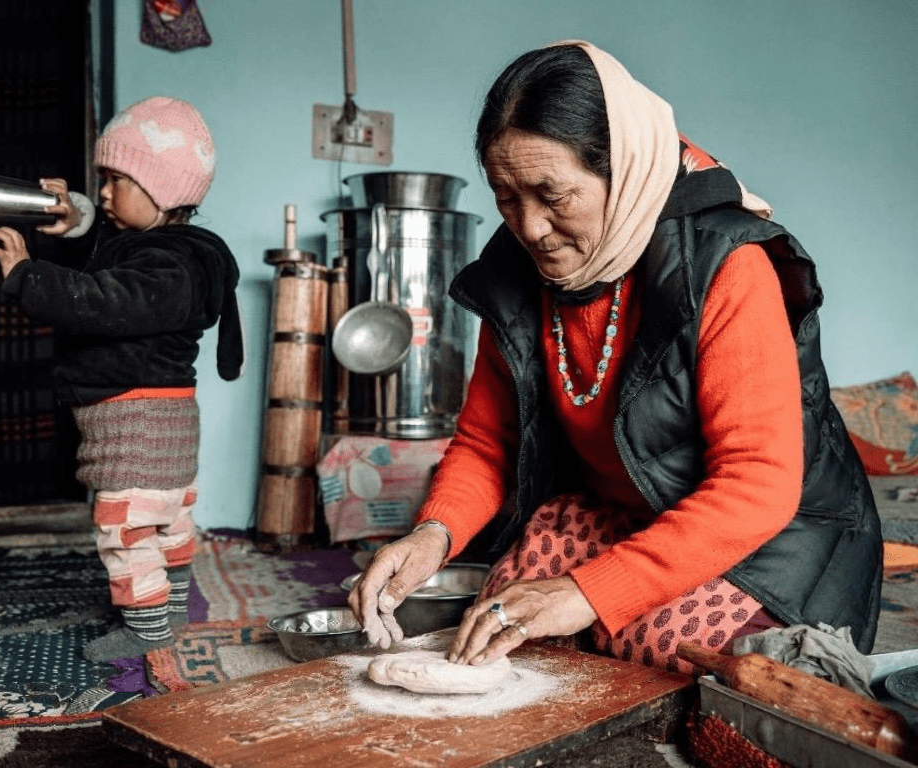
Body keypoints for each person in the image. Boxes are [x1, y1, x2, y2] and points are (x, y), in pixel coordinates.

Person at [348, 41, 882, 675]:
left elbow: (756, 489)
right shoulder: (519, 270)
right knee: (502, 618)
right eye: (506, 196)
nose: (531, 227)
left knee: (668, 652)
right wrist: (431, 536)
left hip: (771, 541)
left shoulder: (726, 264)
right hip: (630, 515)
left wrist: (584, 593)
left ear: (622, 170)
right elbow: (488, 443)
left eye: (553, 195)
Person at [0, 96, 243, 663]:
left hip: (135, 422)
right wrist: (73, 214)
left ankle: (148, 627)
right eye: (102, 179)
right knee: (168, 517)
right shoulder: (174, 251)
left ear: (163, 189)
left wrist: (30, 276)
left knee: (123, 526)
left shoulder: (165, 268)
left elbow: (106, 297)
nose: (103, 193)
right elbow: (111, 243)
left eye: (115, 180)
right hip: (168, 422)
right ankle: (171, 606)